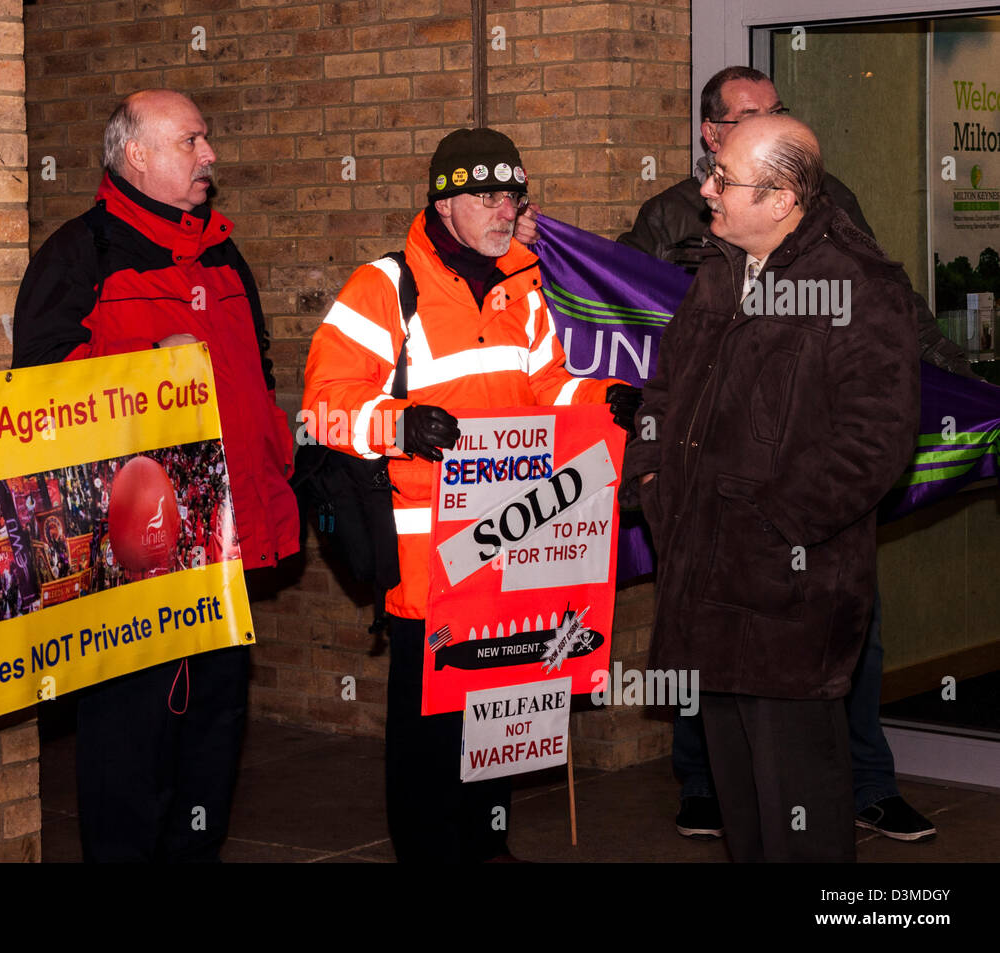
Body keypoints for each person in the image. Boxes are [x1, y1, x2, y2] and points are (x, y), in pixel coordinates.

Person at [619, 65, 951, 844]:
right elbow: (665, 388)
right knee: (740, 802)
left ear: (780, 199)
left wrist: (773, 524)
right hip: (706, 575)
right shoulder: (719, 271)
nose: (706, 191)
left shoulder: (861, 287)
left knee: (798, 803)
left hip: (788, 597)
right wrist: (654, 476)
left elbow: (875, 442)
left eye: (724, 181)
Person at [303, 128, 638, 862]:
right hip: (429, 576)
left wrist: (605, 398)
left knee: (498, 732)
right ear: (444, 201)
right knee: (429, 746)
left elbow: (546, 389)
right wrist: (400, 423)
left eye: (512, 194)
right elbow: (322, 411)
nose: (503, 208)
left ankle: (488, 851)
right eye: (486, 195)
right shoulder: (384, 287)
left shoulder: (524, 285)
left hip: (512, 561)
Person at [12, 88, 299, 862]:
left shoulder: (223, 254)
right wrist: (144, 369)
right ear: (135, 155)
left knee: (213, 737)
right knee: (129, 754)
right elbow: (37, 397)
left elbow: (253, 382)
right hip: (130, 569)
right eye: (192, 141)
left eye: (206, 141)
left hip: (223, 554)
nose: (211, 156)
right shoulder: (80, 257)